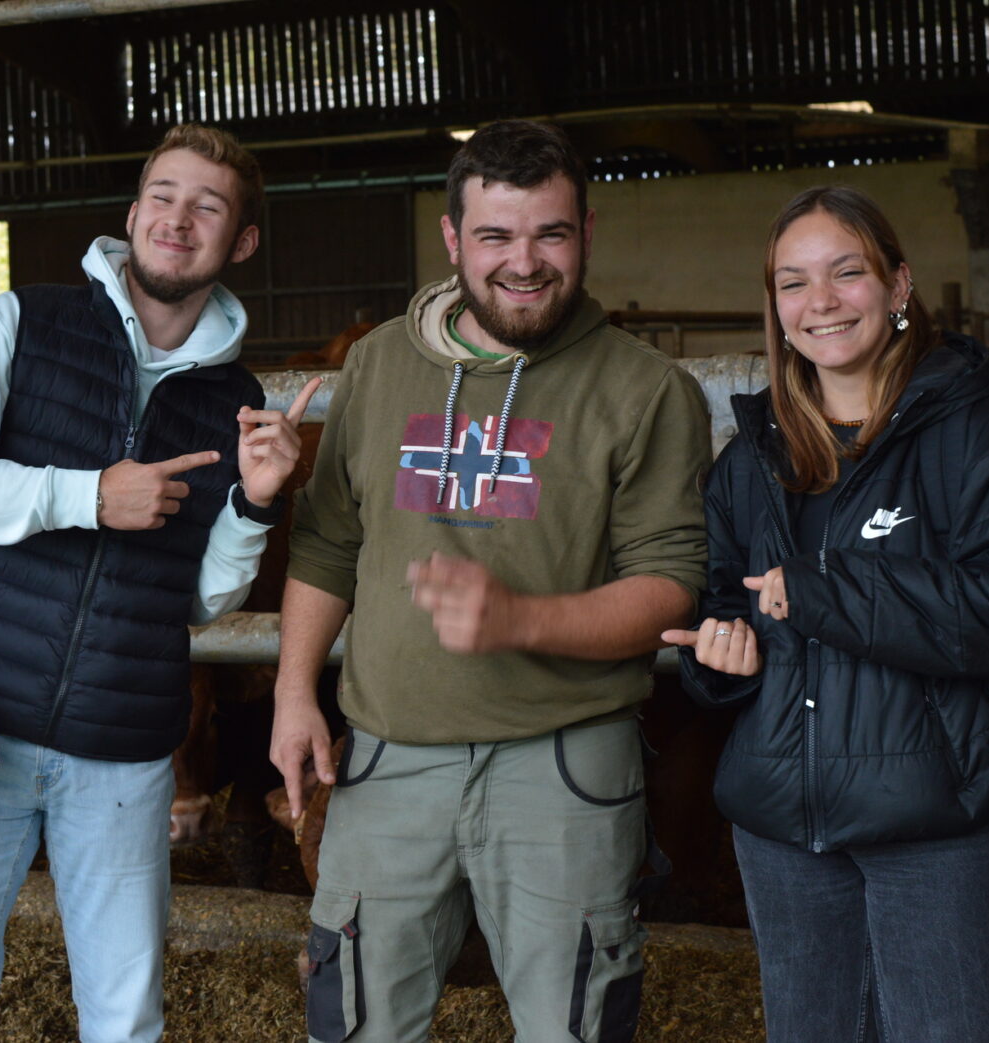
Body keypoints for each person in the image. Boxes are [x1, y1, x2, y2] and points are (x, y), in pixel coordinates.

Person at [270, 119, 711, 1043]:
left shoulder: (645, 389)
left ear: (586, 232)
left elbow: (669, 584)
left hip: (563, 760)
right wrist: (292, 692)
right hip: (389, 751)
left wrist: (520, 618)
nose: (525, 262)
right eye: (495, 236)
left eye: (550, 234)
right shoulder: (381, 361)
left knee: (573, 1025)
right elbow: (326, 541)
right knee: (354, 1021)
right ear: (451, 240)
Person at [0, 123, 317, 1042]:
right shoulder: (23, 322)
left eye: (208, 206)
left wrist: (252, 503)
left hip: (122, 750)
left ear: (239, 242)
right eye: (163, 195)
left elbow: (200, 601)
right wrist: (84, 495)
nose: (177, 219)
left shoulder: (231, 397)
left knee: (124, 1019)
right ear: (132, 215)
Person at [662, 184, 989, 1042]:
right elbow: (724, 600)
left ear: (899, 285)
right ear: (774, 304)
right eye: (793, 282)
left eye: (848, 273)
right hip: (781, 822)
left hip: (932, 813)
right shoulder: (752, 460)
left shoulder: (979, 436)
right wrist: (717, 658)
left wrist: (826, 587)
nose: (822, 302)